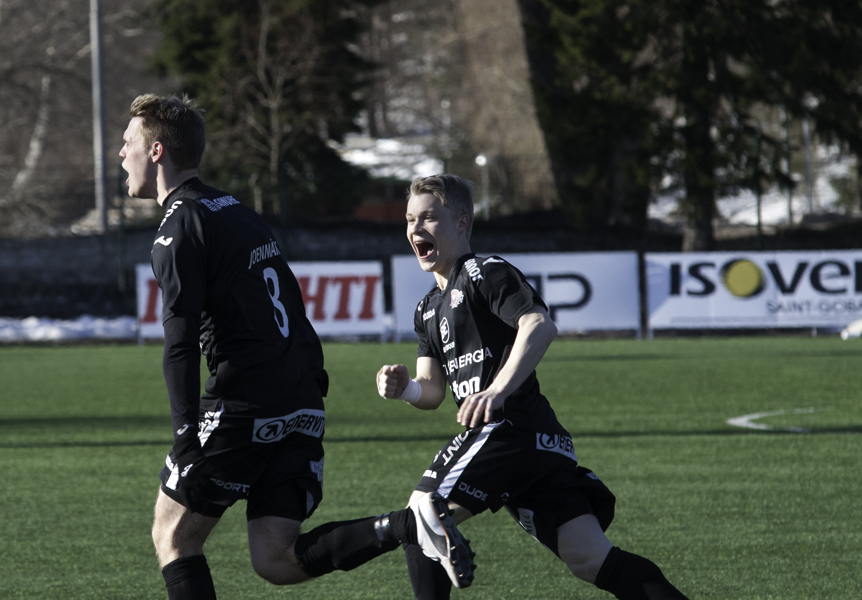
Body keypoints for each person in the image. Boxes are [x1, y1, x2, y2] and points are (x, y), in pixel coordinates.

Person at [120, 94, 475, 599]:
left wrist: (185, 436)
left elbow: (179, 344)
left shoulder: (179, 228)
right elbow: (290, 301)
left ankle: (409, 528)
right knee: (276, 559)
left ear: (157, 151)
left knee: (172, 535)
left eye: (128, 142)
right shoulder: (238, 210)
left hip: (244, 401)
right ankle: (405, 527)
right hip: (299, 398)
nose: (121, 153)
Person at [376, 174, 691, 600]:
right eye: (411, 220)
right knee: (589, 557)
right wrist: (405, 389)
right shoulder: (426, 309)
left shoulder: (485, 272)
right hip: (537, 442)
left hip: (508, 428)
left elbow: (539, 325)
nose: (416, 229)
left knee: (422, 517)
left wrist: (497, 391)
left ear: (463, 223)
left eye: (430, 217)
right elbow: (432, 391)